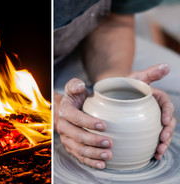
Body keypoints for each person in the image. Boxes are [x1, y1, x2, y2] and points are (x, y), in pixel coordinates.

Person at [54, 0, 177, 169]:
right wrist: (53, 107)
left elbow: (115, 22)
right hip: (10, 77)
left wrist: (114, 85)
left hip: (70, 49)